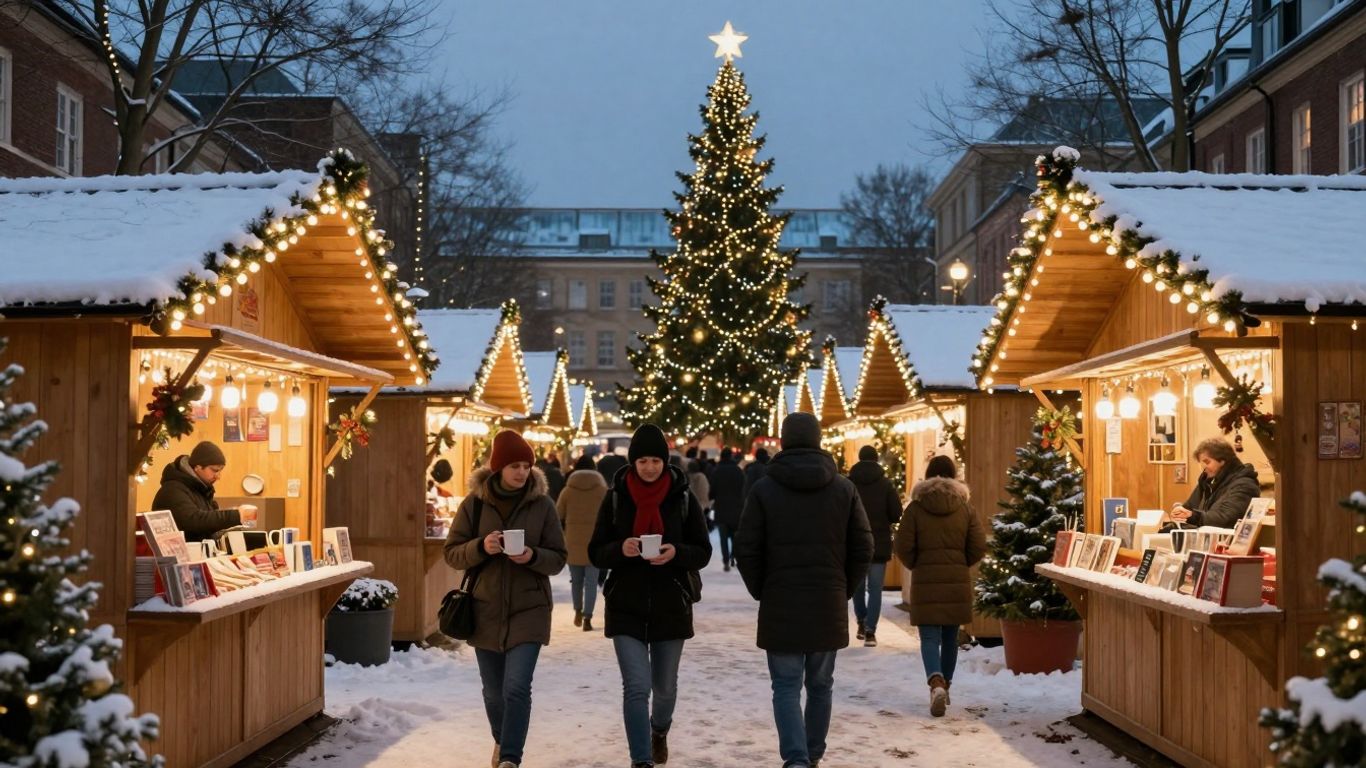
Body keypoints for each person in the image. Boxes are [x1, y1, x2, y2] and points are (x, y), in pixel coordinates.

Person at [735, 413, 873, 768]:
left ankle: (795, 758)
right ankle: (812, 754)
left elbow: (746, 547)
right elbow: (863, 546)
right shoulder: (843, 488)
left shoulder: (764, 489)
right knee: (821, 685)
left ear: (782, 441)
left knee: (785, 686)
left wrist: (762, 588)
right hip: (826, 600)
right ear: (818, 441)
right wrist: (842, 587)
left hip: (781, 600)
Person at [590, 424, 713, 768]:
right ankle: (640, 759)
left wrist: (676, 553)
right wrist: (621, 548)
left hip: (671, 603)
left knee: (664, 689)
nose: (649, 467)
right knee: (636, 687)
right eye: (642, 460)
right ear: (633, 462)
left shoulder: (682, 496)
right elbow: (596, 551)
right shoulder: (616, 496)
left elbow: (702, 551)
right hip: (625, 604)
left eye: (655, 460)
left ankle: (659, 730)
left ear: (664, 461)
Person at [444, 430, 568, 768]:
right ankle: (502, 740)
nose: (521, 472)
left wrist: (531, 556)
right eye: (514, 465)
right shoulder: (475, 503)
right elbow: (452, 553)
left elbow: (558, 557)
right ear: (498, 468)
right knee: (493, 692)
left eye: (526, 466)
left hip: (530, 608)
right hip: (485, 609)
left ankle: (511, 758)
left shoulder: (542, 505)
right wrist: (481, 547)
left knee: (516, 687)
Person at [893, 455, 986, 718]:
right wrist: (960, 563)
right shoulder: (965, 508)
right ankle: (946, 684)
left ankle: (935, 683)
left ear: (929, 475)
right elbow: (978, 545)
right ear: (954, 476)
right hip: (956, 582)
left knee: (930, 637)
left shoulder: (915, 508)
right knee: (949, 638)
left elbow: (902, 545)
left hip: (926, 581)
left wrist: (917, 564)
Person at [847, 445, 903, 647]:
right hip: (879, 543)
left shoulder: (849, 483)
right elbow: (896, 513)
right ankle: (871, 631)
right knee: (876, 589)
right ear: (876, 459)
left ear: (859, 458)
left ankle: (861, 621)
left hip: (855, 544)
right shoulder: (885, 484)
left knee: (858, 587)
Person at [151, 440, 252, 541]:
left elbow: (207, 523)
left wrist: (234, 515)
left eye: (220, 471)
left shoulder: (201, 489)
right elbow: (193, 521)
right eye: (215, 470)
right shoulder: (172, 490)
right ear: (198, 467)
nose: (218, 476)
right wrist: (235, 515)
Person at [558, 454, 608, 631]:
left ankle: (577, 610)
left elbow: (559, 515)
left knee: (577, 580)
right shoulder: (602, 490)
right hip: (595, 541)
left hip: (572, 540)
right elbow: (609, 516)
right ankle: (588, 617)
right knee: (591, 582)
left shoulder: (568, 490)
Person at [1169, 437, 1260, 528]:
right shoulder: (1208, 481)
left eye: (1207, 462)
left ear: (1223, 460)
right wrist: (1179, 513)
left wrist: (1193, 516)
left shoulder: (1244, 485)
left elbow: (1227, 519)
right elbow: (1189, 508)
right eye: (1201, 463)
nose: (1204, 468)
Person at [709, 447, 745, 571]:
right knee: (735, 536)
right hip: (736, 508)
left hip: (721, 508)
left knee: (723, 537)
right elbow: (743, 489)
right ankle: (733, 557)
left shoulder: (716, 471)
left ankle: (725, 561)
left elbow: (712, 492)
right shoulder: (738, 470)